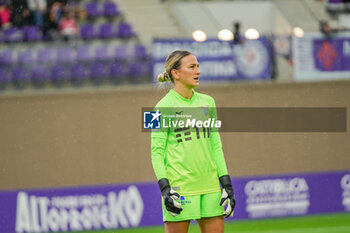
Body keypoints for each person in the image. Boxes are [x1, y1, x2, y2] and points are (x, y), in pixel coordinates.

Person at [151, 50, 236, 233]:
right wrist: (165, 189)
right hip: (179, 191)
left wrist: (227, 185)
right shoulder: (159, 108)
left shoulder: (209, 102)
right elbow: (156, 152)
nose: (198, 71)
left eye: (198, 66)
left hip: (211, 187)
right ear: (176, 73)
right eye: (192, 67)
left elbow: (216, 146)